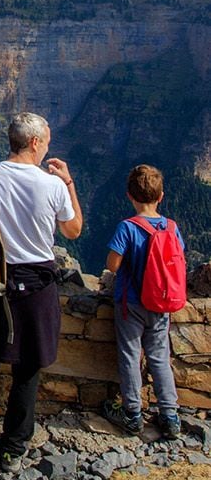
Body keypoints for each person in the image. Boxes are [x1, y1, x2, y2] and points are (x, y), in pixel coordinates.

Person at [0, 112, 82, 473]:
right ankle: (13, 448)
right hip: (38, 284)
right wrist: (69, 182)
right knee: (28, 367)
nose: (47, 147)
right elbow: (73, 230)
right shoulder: (52, 185)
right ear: (34, 143)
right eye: (46, 141)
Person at [102, 164, 184, 439]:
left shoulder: (128, 227)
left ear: (129, 196)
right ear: (161, 196)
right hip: (161, 304)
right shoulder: (172, 227)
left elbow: (112, 265)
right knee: (160, 357)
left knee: (130, 355)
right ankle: (170, 415)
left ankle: (133, 413)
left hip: (131, 303)